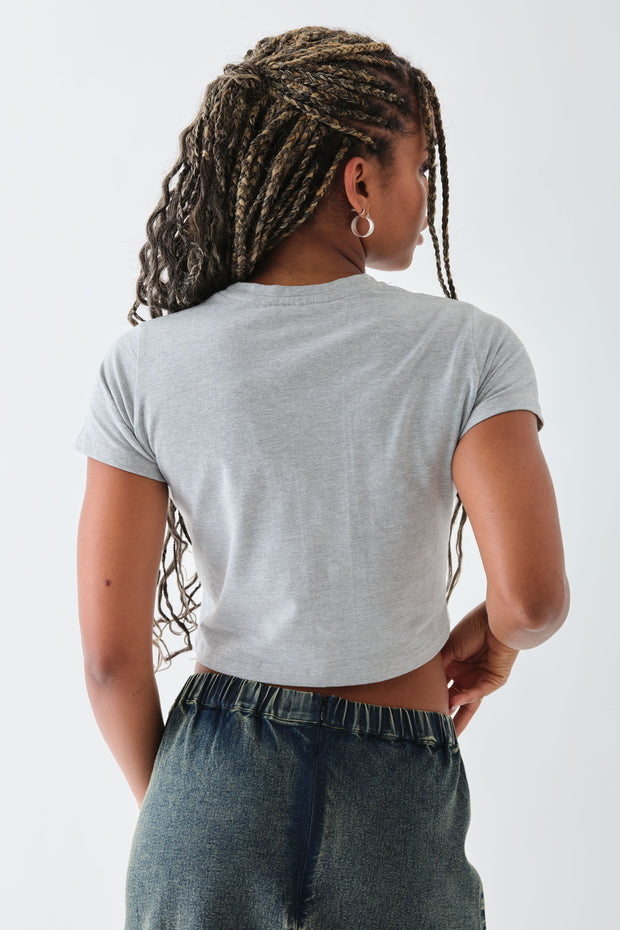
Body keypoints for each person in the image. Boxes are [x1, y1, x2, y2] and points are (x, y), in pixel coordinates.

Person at [75, 25, 569, 930]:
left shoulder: (146, 364)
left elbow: (111, 664)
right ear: (359, 183)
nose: (426, 194)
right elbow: (532, 601)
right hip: (396, 794)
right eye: (420, 169)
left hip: (210, 785)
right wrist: (495, 643)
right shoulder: (469, 350)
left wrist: (190, 811)